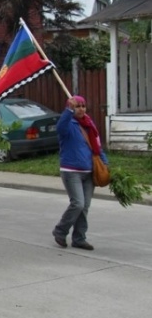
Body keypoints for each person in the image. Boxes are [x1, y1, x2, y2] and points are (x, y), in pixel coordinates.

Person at [52, 95, 106, 251]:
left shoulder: (89, 124)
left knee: (85, 207)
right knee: (78, 203)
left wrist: (105, 163)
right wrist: (69, 110)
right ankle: (60, 230)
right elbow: (60, 128)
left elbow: (97, 147)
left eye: (83, 106)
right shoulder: (68, 124)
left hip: (89, 171)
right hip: (71, 171)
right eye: (77, 106)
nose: (81, 109)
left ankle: (79, 238)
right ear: (71, 108)